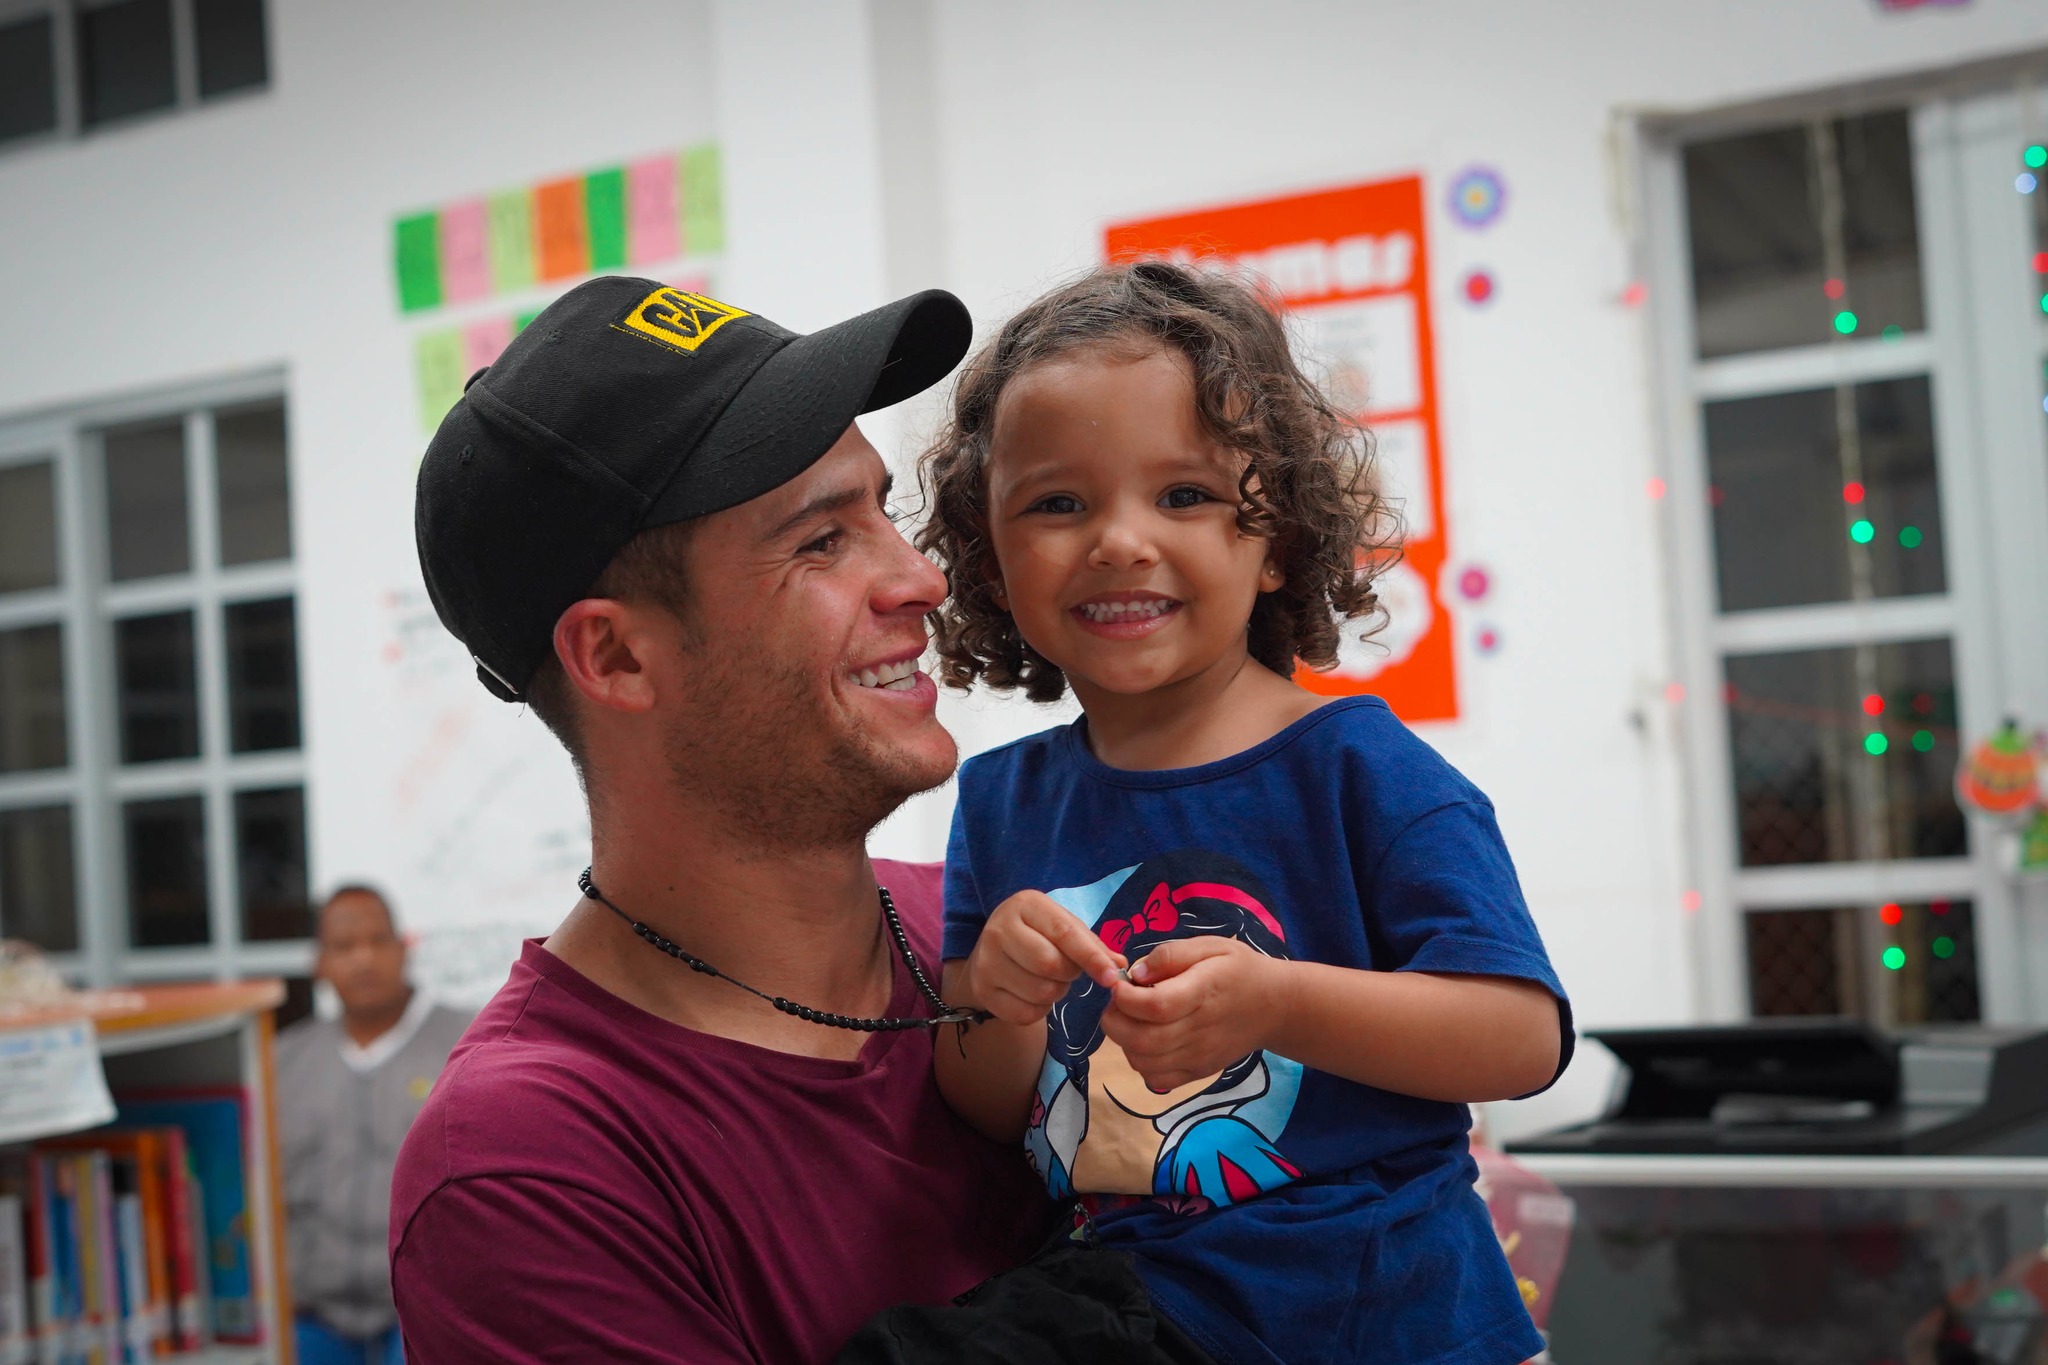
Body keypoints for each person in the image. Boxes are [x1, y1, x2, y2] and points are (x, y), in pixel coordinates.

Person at [852, 261, 1573, 1365]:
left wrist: (1278, 1001)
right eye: (1057, 504)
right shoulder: (1002, 802)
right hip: (1128, 1295)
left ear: (1277, 536)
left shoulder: (1360, 769)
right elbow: (988, 1106)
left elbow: (1521, 1038)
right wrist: (995, 1001)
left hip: (1379, 1311)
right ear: (989, 563)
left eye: (1183, 495)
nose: (1118, 540)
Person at [390, 278, 1049, 1363]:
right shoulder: (526, 1170)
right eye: (821, 542)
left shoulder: (1007, 940)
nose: (919, 580)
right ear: (616, 655)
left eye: (880, 512)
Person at [277, 886, 469, 1365]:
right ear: (319, 964)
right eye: (344, 947)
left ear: (405, 948)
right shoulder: (281, 1064)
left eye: (377, 941)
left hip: (431, 1315)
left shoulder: (470, 1045)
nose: (363, 959)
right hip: (310, 1320)